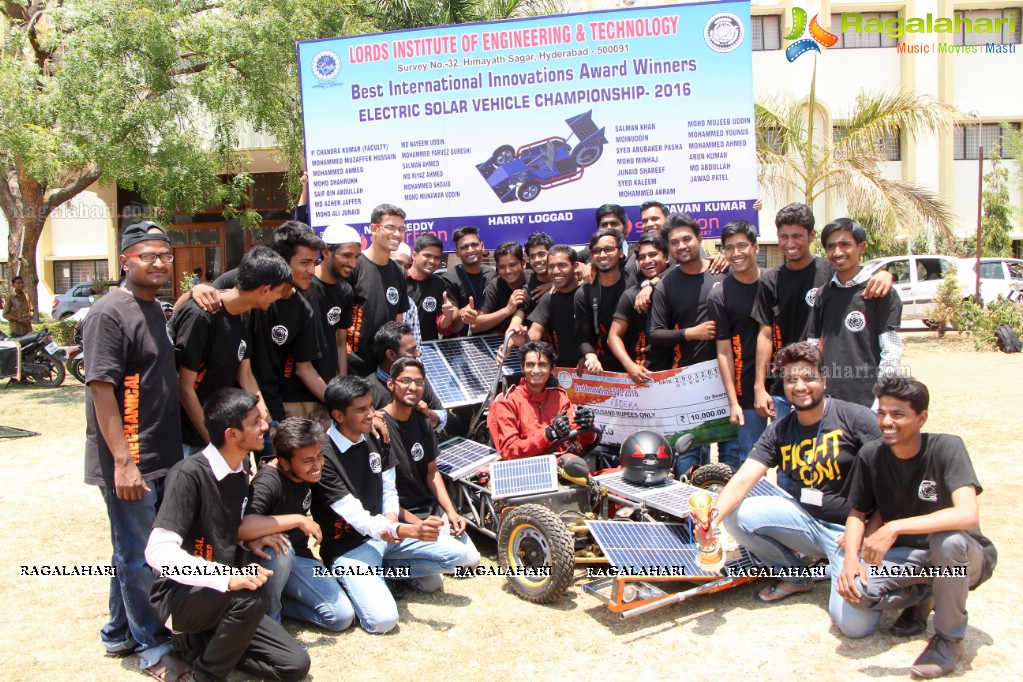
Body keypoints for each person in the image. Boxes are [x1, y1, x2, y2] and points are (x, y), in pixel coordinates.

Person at [708, 342, 882, 637]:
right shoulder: (780, 429)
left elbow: (892, 477)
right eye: (791, 380)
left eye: (808, 377)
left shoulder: (855, 418)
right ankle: (796, 577)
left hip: (850, 534)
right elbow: (742, 478)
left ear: (824, 380)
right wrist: (708, 521)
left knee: (854, 626)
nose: (799, 386)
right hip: (808, 522)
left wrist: (872, 529)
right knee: (736, 516)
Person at [82, 221, 188, 680]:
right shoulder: (109, 313)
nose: (161, 263)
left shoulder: (155, 310)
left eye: (166, 255)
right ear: (126, 261)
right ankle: (150, 647)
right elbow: (101, 391)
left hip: (162, 454)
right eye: (149, 256)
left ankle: (118, 632)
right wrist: (124, 464)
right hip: (132, 460)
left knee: (134, 550)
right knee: (138, 555)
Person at [145, 388, 310, 682]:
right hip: (181, 597)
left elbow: (223, 527)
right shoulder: (189, 474)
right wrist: (226, 578)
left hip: (225, 601)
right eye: (256, 422)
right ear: (232, 434)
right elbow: (158, 553)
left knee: (294, 665)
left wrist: (250, 538)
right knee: (251, 594)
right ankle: (205, 675)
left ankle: (200, 646)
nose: (266, 426)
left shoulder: (237, 472)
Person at [837, 377, 996, 678]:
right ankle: (927, 596)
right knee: (856, 590)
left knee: (947, 542)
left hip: (961, 559)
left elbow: (967, 515)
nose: (886, 421)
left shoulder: (947, 447)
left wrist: (894, 526)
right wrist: (850, 561)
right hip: (913, 562)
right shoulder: (871, 455)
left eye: (898, 414)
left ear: (921, 417)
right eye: (882, 413)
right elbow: (857, 512)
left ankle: (949, 639)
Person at [751, 204, 893, 490]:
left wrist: (888, 274)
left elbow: (861, 279)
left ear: (812, 236)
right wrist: (759, 386)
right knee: (789, 460)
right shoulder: (770, 280)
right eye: (784, 236)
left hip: (831, 388)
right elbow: (764, 335)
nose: (790, 244)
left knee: (835, 457)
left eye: (798, 236)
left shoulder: (829, 269)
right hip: (784, 388)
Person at [311, 375, 466, 634]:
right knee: (382, 621)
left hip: (385, 535)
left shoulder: (375, 435)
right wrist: (405, 530)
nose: (371, 414)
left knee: (458, 557)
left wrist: (393, 519)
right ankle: (354, 577)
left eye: (371, 406)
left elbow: (388, 488)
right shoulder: (322, 457)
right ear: (338, 415)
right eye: (361, 410)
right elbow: (358, 519)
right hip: (349, 548)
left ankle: (383, 571)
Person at [186, 221, 328, 430]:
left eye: (315, 263)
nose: (312, 271)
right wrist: (194, 291)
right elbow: (204, 302)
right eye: (305, 263)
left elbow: (304, 369)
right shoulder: (243, 281)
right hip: (218, 407)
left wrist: (338, 403)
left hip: (265, 404)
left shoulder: (302, 309)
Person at [170, 246, 294, 456]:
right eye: (278, 291)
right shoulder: (202, 316)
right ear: (265, 289)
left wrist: (270, 423)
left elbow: (245, 375)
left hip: (220, 431)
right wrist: (215, 445)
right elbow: (185, 388)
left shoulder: (244, 315)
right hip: (189, 439)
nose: (279, 298)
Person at [240, 417, 356, 632]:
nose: (317, 465)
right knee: (280, 550)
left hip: (301, 557)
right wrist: (299, 519)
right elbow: (244, 527)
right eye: (308, 461)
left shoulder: (311, 471)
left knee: (341, 616)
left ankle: (276, 603)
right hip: (274, 559)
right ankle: (270, 621)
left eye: (320, 456)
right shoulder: (268, 481)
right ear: (284, 462)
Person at [648, 213, 736, 475]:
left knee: (732, 455)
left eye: (687, 239)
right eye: (674, 243)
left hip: (731, 379)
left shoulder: (724, 271)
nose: (682, 246)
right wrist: (690, 333)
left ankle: (729, 513)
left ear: (700, 238)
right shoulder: (667, 284)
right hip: (691, 385)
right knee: (689, 458)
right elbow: (655, 333)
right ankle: (691, 514)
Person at [382, 357, 480, 590]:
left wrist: (451, 511)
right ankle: (388, 565)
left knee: (472, 562)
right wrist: (416, 525)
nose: (413, 387)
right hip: (401, 517)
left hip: (431, 512)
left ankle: (427, 556)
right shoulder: (379, 427)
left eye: (419, 382)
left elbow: (432, 473)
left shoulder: (423, 422)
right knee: (432, 584)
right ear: (390, 384)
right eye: (405, 380)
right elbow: (381, 494)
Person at [807, 218, 903, 407]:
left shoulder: (880, 292)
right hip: (829, 402)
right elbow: (812, 347)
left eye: (845, 245)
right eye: (831, 246)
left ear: (861, 247)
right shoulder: (824, 294)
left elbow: (891, 352)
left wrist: (881, 400)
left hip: (867, 401)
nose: (837, 252)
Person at [707, 221, 766, 467]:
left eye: (742, 245)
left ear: (756, 248)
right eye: (729, 248)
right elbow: (723, 351)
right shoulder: (720, 293)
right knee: (750, 462)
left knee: (790, 465)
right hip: (745, 391)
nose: (736, 253)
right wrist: (733, 402)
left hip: (784, 388)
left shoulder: (775, 282)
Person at [487, 340, 595, 460]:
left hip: (563, 468)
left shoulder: (560, 398)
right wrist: (547, 435)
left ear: (552, 369)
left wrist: (587, 427)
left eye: (542, 364)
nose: (536, 370)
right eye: (530, 365)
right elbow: (509, 451)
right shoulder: (506, 402)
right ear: (522, 368)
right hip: (526, 472)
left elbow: (580, 444)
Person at [346, 204, 410, 375]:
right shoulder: (354, 266)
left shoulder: (399, 273)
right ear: (374, 228)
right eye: (390, 227)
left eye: (401, 229)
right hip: (352, 367)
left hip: (384, 370)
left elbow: (398, 324)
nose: (397, 234)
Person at [608, 233, 673, 384]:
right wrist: (630, 366)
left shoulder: (679, 287)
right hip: (644, 375)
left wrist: (652, 283)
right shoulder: (631, 295)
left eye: (652, 254)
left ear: (667, 257)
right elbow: (613, 337)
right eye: (642, 257)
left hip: (681, 374)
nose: (647, 261)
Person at [367, 321, 446, 432]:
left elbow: (441, 417)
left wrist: (427, 413)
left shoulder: (419, 380)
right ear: (391, 355)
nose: (417, 354)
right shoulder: (367, 390)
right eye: (411, 351)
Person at [514, 245, 582, 369]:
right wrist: (522, 339)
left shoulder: (588, 293)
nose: (556, 271)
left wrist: (590, 356)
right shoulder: (550, 297)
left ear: (575, 266)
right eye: (551, 266)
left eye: (562, 265)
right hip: (563, 373)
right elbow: (535, 331)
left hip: (594, 371)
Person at [306, 223, 359, 379]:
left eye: (356, 257)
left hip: (330, 382)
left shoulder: (345, 291)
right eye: (347, 255)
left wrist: (342, 378)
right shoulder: (304, 285)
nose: (353, 264)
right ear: (326, 252)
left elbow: (340, 342)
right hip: (299, 387)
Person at [576, 227, 629, 374]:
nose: (603, 254)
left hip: (640, 364)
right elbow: (584, 337)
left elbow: (666, 271)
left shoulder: (634, 277)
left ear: (621, 252)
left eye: (609, 249)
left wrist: (649, 284)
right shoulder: (584, 293)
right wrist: (590, 357)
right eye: (597, 251)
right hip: (605, 370)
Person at [407, 234, 462, 341]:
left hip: (429, 350)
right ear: (414, 255)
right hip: (400, 351)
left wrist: (447, 316)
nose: (432, 261)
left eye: (436, 257)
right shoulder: (400, 280)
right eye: (427, 255)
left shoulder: (438, 283)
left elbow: (442, 327)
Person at [442, 226, 495, 330]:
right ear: (456, 252)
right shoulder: (449, 278)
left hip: (490, 337)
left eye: (474, 245)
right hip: (460, 341)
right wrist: (461, 315)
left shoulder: (492, 274)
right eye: (464, 247)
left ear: (482, 246)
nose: (470, 250)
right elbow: (452, 325)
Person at [473, 241, 527, 335]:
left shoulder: (534, 280)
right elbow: (476, 326)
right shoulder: (495, 286)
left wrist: (551, 285)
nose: (508, 271)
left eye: (512, 265)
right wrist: (508, 310)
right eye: (502, 267)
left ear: (523, 263)